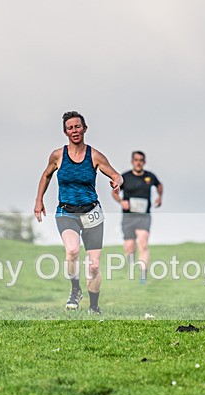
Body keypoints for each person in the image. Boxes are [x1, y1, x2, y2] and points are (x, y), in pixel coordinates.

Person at [34, 111, 124, 314]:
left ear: (85, 128)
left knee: (93, 266)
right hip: (67, 212)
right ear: (65, 132)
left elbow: (116, 174)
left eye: (77, 126)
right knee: (72, 251)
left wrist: (117, 182)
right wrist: (39, 200)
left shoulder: (95, 156)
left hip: (92, 213)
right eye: (70, 128)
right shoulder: (58, 155)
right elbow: (46, 175)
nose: (74, 130)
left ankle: (94, 307)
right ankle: (75, 290)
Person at [111, 151, 163, 283]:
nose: (138, 162)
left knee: (143, 243)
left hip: (144, 216)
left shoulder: (149, 176)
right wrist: (121, 201)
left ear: (144, 162)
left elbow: (159, 185)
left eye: (141, 160)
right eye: (136, 160)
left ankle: (143, 275)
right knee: (129, 247)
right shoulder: (126, 177)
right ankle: (131, 262)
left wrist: (159, 197)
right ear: (132, 161)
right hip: (128, 217)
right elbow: (115, 191)